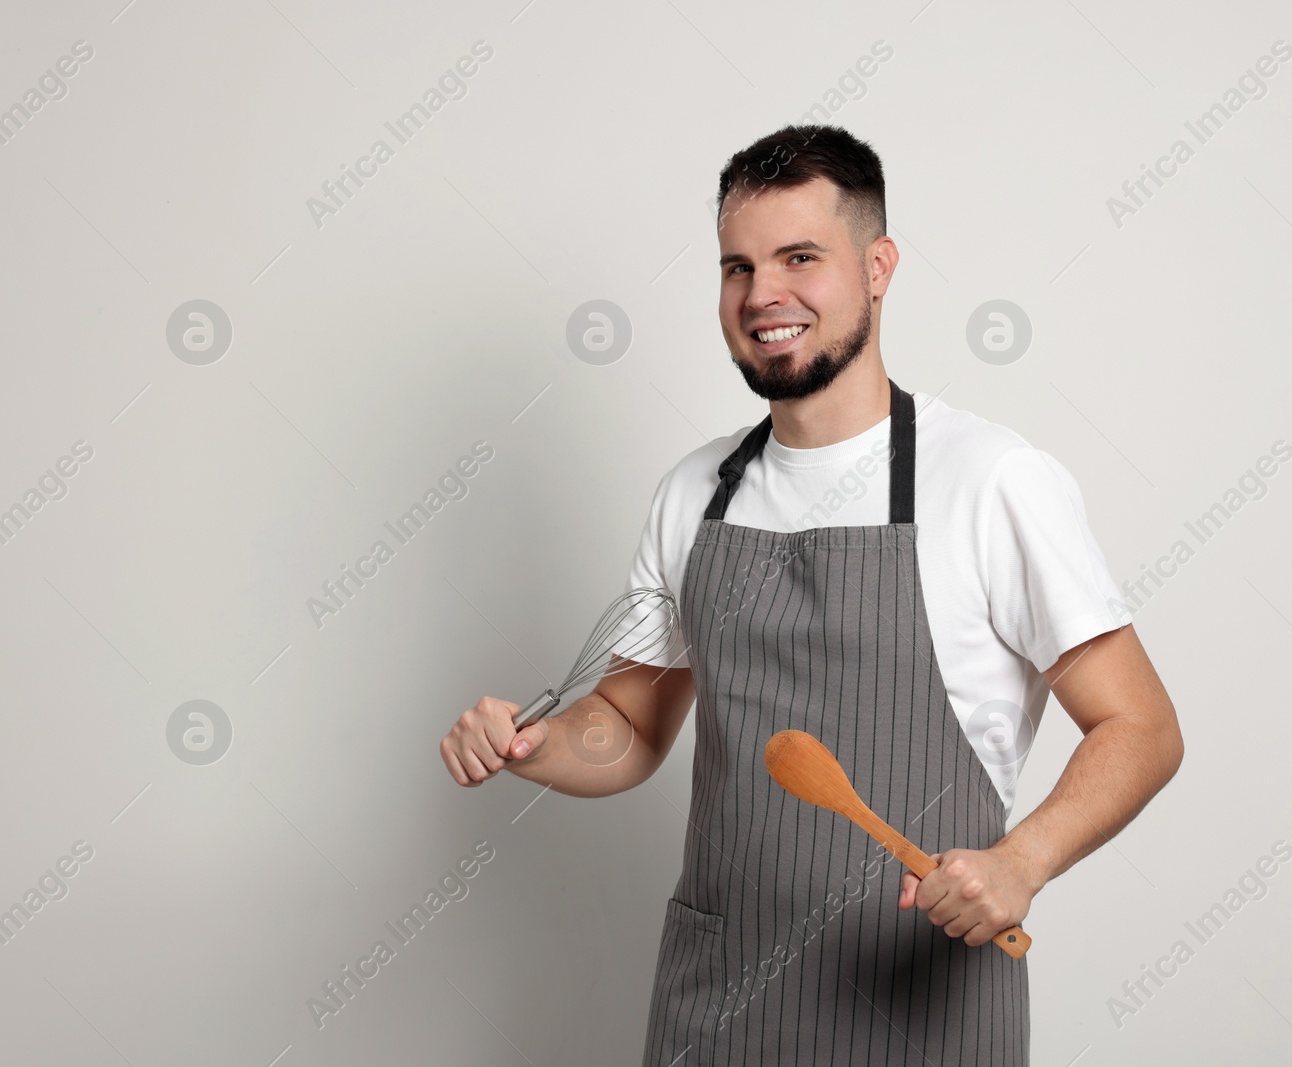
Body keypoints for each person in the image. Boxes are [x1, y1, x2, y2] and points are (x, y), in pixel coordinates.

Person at [440, 124, 1183, 1066]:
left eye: (801, 257)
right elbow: (628, 730)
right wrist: (535, 747)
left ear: (878, 267)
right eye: (737, 266)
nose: (762, 296)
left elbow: (1143, 726)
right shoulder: (694, 493)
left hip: (924, 1010)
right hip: (716, 1011)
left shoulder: (991, 480)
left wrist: (1021, 861)